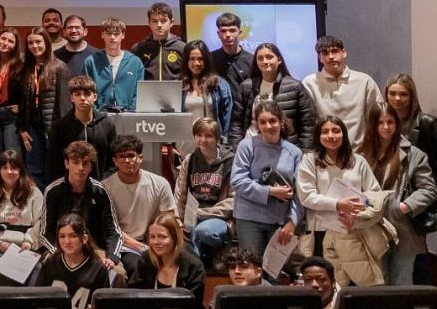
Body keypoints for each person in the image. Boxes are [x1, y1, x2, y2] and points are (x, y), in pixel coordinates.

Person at [298, 115, 386, 287]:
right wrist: (338, 204)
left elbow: (374, 193)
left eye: (336, 131)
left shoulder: (358, 161)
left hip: (353, 229)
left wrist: (361, 208)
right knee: (326, 286)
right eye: (325, 132)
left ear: (344, 135)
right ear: (318, 136)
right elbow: (306, 196)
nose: (331, 135)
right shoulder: (309, 161)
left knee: (356, 285)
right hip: (321, 231)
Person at [357, 103, 436, 286]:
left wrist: (405, 206)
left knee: (402, 280)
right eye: (381, 122)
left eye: (390, 122)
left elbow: (428, 189)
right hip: (372, 226)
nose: (386, 127)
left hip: (403, 228)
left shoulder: (414, 155)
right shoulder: (360, 155)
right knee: (377, 281)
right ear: (372, 125)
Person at [230, 99, 304, 263]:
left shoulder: (295, 153)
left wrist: (293, 221)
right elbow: (237, 181)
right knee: (251, 270)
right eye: (263, 122)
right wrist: (270, 191)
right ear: (256, 125)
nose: (268, 126)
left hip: (280, 223)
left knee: (275, 274)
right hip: (249, 219)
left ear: (281, 121)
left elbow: (300, 192)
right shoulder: (246, 146)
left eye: (272, 121)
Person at [101, 135, 176, 280]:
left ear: (140, 157)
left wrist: (156, 243)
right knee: (140, 266)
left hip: (156, 240)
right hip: (125, 246)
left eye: (131, 155)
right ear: (115, 161)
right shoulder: (105, 188)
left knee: (189, 259)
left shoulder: (160, 184)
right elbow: (110, 229)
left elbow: (168, 221)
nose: (127, 161)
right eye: (122, 156)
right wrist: (142, 248)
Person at [42, 141, 123, 260]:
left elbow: (113, 230)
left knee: (118, 273)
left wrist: (112, 257)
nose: (81, 168)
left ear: (91, 167)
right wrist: (59, 252)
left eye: (85, 163)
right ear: (66, 164)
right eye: (75, 162)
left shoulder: (100, 191)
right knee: (46, 266)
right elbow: (45, 233)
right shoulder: (53, 191)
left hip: (94, 248)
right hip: (61, 247)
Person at [227, 42, 316, 149]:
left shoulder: (295, 87)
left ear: (279, 60)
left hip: (285, 149)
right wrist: (236, 150)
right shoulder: (246, 87)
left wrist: (304, 152)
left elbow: (308, 125)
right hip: (252, 148)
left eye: (269, 57)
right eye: (260, 58)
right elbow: (236, 124)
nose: (265, 61)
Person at [37, 213, 116, 309]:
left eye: (73, 236)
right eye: (62, 236)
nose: (67, 241)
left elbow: (95, 308)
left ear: (84, 238)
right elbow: (39, 295)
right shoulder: (51, 262)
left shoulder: (98, 269)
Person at [174, 118, 234, 265]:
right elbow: (180, 193)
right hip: (191, 217)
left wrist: (201, 214)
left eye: (208, 136)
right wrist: (178, 221)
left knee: (203, 231)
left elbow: (234, 200)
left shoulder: (231, 161)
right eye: (199, 135)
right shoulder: (190, 160)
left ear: (217, 138)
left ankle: (220, 250)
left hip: (219, 219)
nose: (203, 140)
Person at [302, 35, 381, 147]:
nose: (331, 57)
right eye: (325, 53)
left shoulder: (364, 81)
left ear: (344, 52)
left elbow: (378, 118)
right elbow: (306, 124)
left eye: (335, 51)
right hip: (325, 153)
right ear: (320, 58)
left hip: (360, 153)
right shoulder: (309, 83)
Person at [385, 73, 437, 178]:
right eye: (392, 93)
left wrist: (427, 168)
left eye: (403, 94)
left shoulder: (426, 122)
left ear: (412, 96)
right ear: (386, 94)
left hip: (419, 186)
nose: (397, 98)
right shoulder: (381, 123)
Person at [0, 150, 44, 273]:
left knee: (36, 269)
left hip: (27, 244)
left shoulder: (33, 191)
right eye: (5, 167)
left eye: (14, 168)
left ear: (20, 170)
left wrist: (29, 243)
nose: (9, 171)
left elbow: (40, 221)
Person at [18, 29, 69, 181]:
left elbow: (65, 104)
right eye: (31, 43)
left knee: (54, 168)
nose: (34, 46)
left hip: (52, 128)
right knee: (34, 170)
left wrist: (62, 131)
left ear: (46, 43)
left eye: (38, 42)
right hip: (32, 129)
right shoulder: (27, 69)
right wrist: (23, 128)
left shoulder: (59, 67)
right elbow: (23, 102)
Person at [46, 76, 118, 183]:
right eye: (78, 94)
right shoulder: (60, 126)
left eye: (87, 94)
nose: (82, 98)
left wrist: (103, 183)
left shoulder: (107, 125)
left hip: (100, 187)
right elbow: (52, 163)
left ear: (95, 97)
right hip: (68, 188)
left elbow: (113, 161)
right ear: (72, 98)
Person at [128, 213, 206, 301]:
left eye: (162, 237)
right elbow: (133, 297)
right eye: (152, 237)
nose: (156, 242)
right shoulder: (146, 259)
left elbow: (194, 305)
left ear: (175, 238)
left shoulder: (194, 266)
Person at [83, 18, 143, 111]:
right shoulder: (91, 61)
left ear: (123, 35)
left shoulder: (135, 62)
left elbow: (139, 92)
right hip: (100, 115)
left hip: (128, 115)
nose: (112, 37)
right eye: (109, 33)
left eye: (116, 34)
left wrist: (131, 112)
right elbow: (86, 90)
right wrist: (96, 112)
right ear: (102, 35)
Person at [0, 26, 25, 165]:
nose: (5, 43)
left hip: (12, 117)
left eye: (10, 41)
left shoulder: (21, 66)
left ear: (15, 46)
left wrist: (21, 107)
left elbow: (27, 92)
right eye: (3, 38)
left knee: (13, 156)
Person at [176, 40, 233, 139]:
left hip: (212, 142)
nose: (196, 63)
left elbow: (227, 118)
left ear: (206, 60)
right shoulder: (179, 85)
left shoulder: (219, 85)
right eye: (192, 59)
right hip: (185, 143)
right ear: (186, 61)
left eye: (200, 59)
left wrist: (224, 142)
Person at [129, 1, 186, 81]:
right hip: (147, 93)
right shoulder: (138, 48)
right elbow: (131, 75)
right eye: (155, 21)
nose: (159, 25)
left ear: (171, 23)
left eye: (163, 21)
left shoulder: (183, 48)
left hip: (175, 93)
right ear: (149, 23)